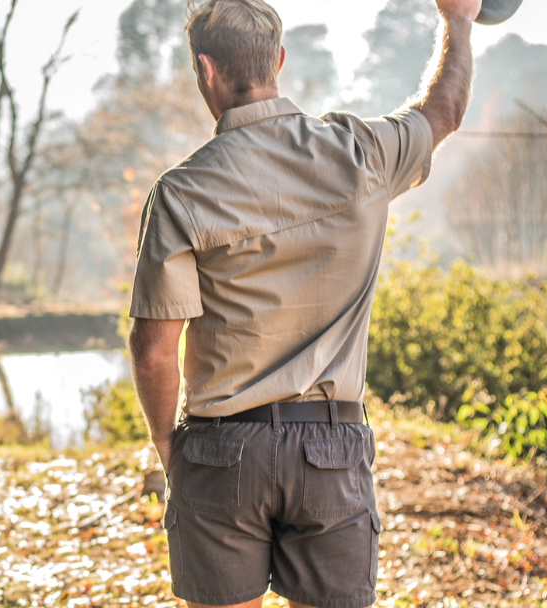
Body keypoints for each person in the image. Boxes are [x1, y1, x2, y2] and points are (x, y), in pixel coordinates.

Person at [127, 0, 481, 606]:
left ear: (205, 71)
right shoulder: (361, 154)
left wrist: (169, 450)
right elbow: (442, 111)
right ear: (279, 61)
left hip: (219, 448)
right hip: (331, 447)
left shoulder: (182, 192)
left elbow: (154, 349)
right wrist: (458, 21)